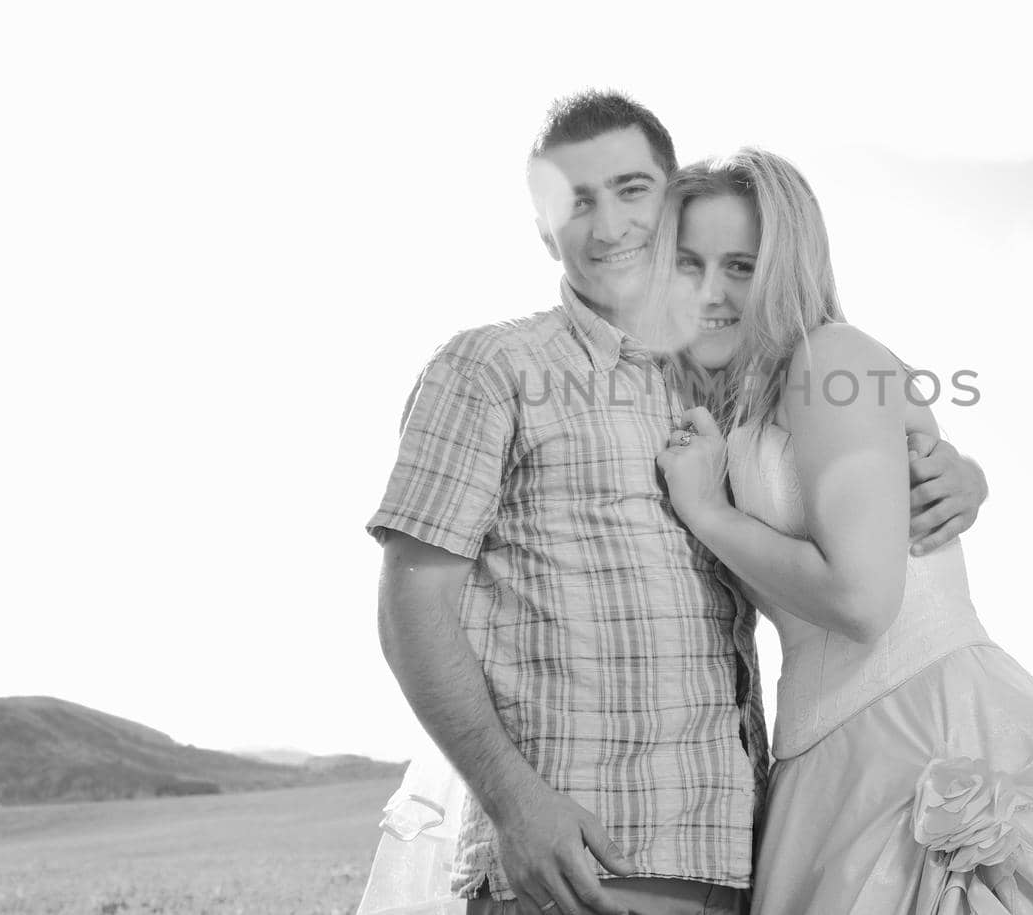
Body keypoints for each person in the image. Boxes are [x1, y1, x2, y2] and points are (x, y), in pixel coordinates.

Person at [362, 92, 990, 915]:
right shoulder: (491, 367)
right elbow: (412, 606)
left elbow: (841, 491)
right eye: (574, 201)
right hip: (580, 861)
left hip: (739, 857)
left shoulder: (725, 395)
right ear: (542, 228)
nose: (608, 223)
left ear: (668, 201)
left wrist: (953, 468)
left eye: (630, 190)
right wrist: (516, 803)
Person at [650, 148, 1033, 914]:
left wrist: (710, 512)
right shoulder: (736, 404)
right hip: (824, 757)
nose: (711, 292)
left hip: (923, 728)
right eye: (690, 264)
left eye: (742, 266)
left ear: (789, 266)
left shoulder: (831, 359)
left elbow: (861, 599)